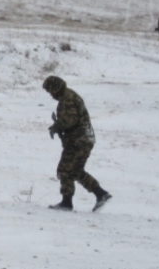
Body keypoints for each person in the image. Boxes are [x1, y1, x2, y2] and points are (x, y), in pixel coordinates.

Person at [43, 76, 113, 213]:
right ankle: (100, 194)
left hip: (79, 141)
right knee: (74, 171)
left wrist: (57, 126)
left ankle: (67, 203)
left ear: (55, 88)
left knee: (65, 170)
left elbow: (70, 120)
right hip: (81, 140)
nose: (51, 95)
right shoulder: (68, 96)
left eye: (50, 91)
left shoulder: (67, 98)